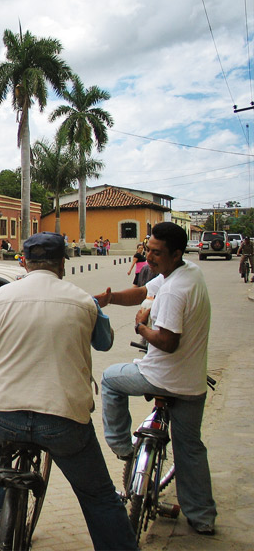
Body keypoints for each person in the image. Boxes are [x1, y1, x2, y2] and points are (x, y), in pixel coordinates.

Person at [0, 232, 137, 550]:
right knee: (99, 498)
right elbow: (106, 342)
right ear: (63, 263)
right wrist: (97, 308)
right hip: (64, 421)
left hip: (4, 417)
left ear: (24, 262)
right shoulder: (84, 302)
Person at [95, 222, 216, 536]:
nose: (149, 257)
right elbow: (143, 292)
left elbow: (167, 341)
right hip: (192, 383)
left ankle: (123, 447)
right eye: (147, 249)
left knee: (110, 378)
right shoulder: (187, 273)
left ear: (175, 254)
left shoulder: (176, 291)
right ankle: (202, 516)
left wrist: (141, 328)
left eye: (156, 252)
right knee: (190, 448)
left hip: (162, 376)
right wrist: (108, 299)